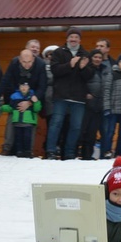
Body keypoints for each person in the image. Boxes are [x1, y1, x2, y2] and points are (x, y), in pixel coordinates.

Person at [44, 27, 94, 160]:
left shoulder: (85, 54)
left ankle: (70, 153)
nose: (73, 39)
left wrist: (83, 68)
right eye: (71, 37)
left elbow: (90, 76)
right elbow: (55, 70)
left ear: (79, 39)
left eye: (76, 37)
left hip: (78, 97)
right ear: (67, 39)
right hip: (61, 95)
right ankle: (51, 151)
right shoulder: (58, 53)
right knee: (56, 123)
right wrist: (69, 65)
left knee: (76, 127)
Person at [0, 49, 47, 156]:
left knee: (30, 122)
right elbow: (6, 80)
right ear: (20, 60)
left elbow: (42, 86)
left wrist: (30, 102)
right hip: (15, 96)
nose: (27, 65)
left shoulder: (40, 65)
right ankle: (7, 148)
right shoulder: (14, 63)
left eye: (29, 62)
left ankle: (29, 150)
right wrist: (2, 98)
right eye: (24, 62)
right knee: (12, 120)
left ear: (33, 59)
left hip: (33, 97)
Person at [4, 80, 42, 158]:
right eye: (22, 86)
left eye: (25, 86)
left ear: (29, 87)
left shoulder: (32, 96)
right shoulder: (14, 96)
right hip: (17, 121)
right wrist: (3, 108)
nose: (23, 88)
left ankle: (28, 151)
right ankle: (19, 151)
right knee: (18, 138)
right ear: (19, 87)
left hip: (28, 122)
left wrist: (36, 102)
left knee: (28, 138)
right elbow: (11, 108)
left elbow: (37, 109)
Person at [103, 53, 121, 157]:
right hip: (113, 108)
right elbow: (107, 91)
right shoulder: (113, 74)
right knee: (110, 131)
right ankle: (107, 151)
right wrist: (107, 107)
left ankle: (120, 152)